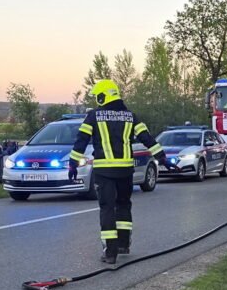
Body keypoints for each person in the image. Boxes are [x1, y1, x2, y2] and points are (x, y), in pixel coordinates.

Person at [69, 79, 169, 264]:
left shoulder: (93, 116)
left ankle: (110, 252)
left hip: (104, 171)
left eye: (97, 96)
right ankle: (123, 244)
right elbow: (146, 137)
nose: (96, 99)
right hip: (125, 171)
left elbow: (81, 141)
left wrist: (73, 164)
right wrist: (161, 156)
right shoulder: (130, 116)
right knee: (123, 205)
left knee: (107, 208)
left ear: (103, 96)